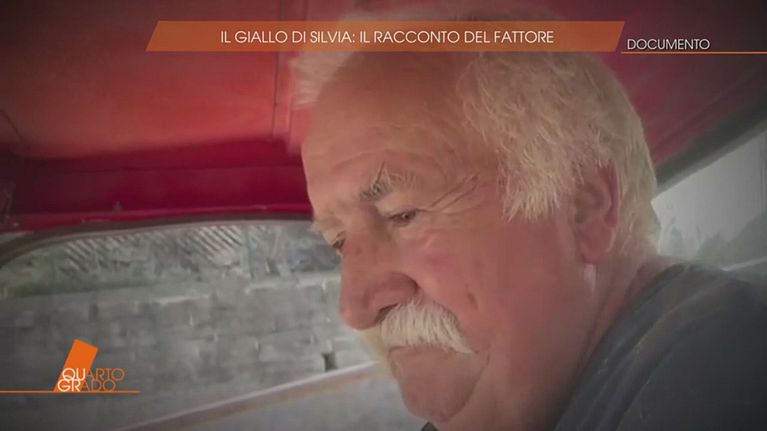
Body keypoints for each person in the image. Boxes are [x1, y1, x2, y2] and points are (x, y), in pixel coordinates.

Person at [293, 4, 767, 430]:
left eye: (402, 215)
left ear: (584, 209)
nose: (355, 309)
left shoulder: (728, 369)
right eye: (339, 242)